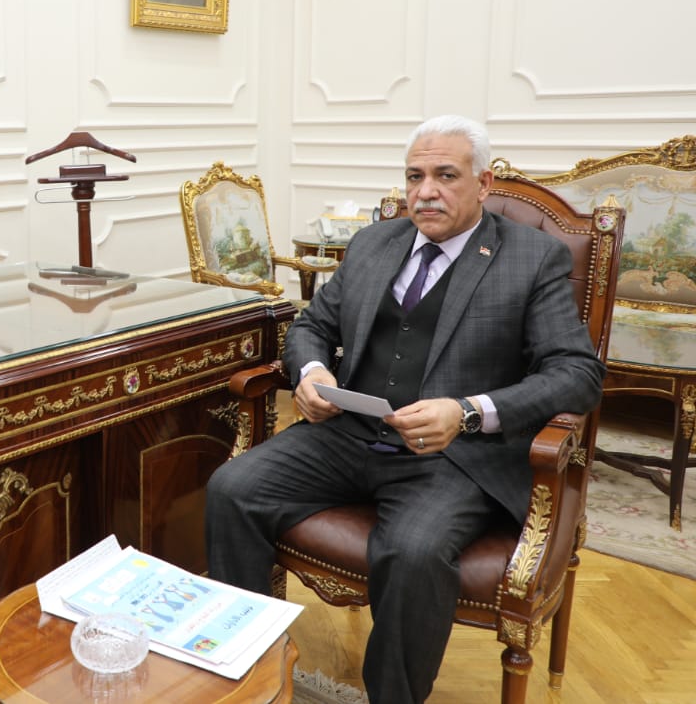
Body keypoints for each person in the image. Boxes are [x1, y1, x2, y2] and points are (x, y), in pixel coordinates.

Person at [204, 114, 605, 704]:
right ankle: (249, 675)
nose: (426, 192)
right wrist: (312, 374)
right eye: (415, 176)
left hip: (454, 458)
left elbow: (577, 374)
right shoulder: (374, 242)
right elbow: (312, 325)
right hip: (346, 434)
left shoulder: (532, 258)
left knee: (412, 550)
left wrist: (467, 412)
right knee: (232, 489)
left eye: (446, 175)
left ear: (483, 183)